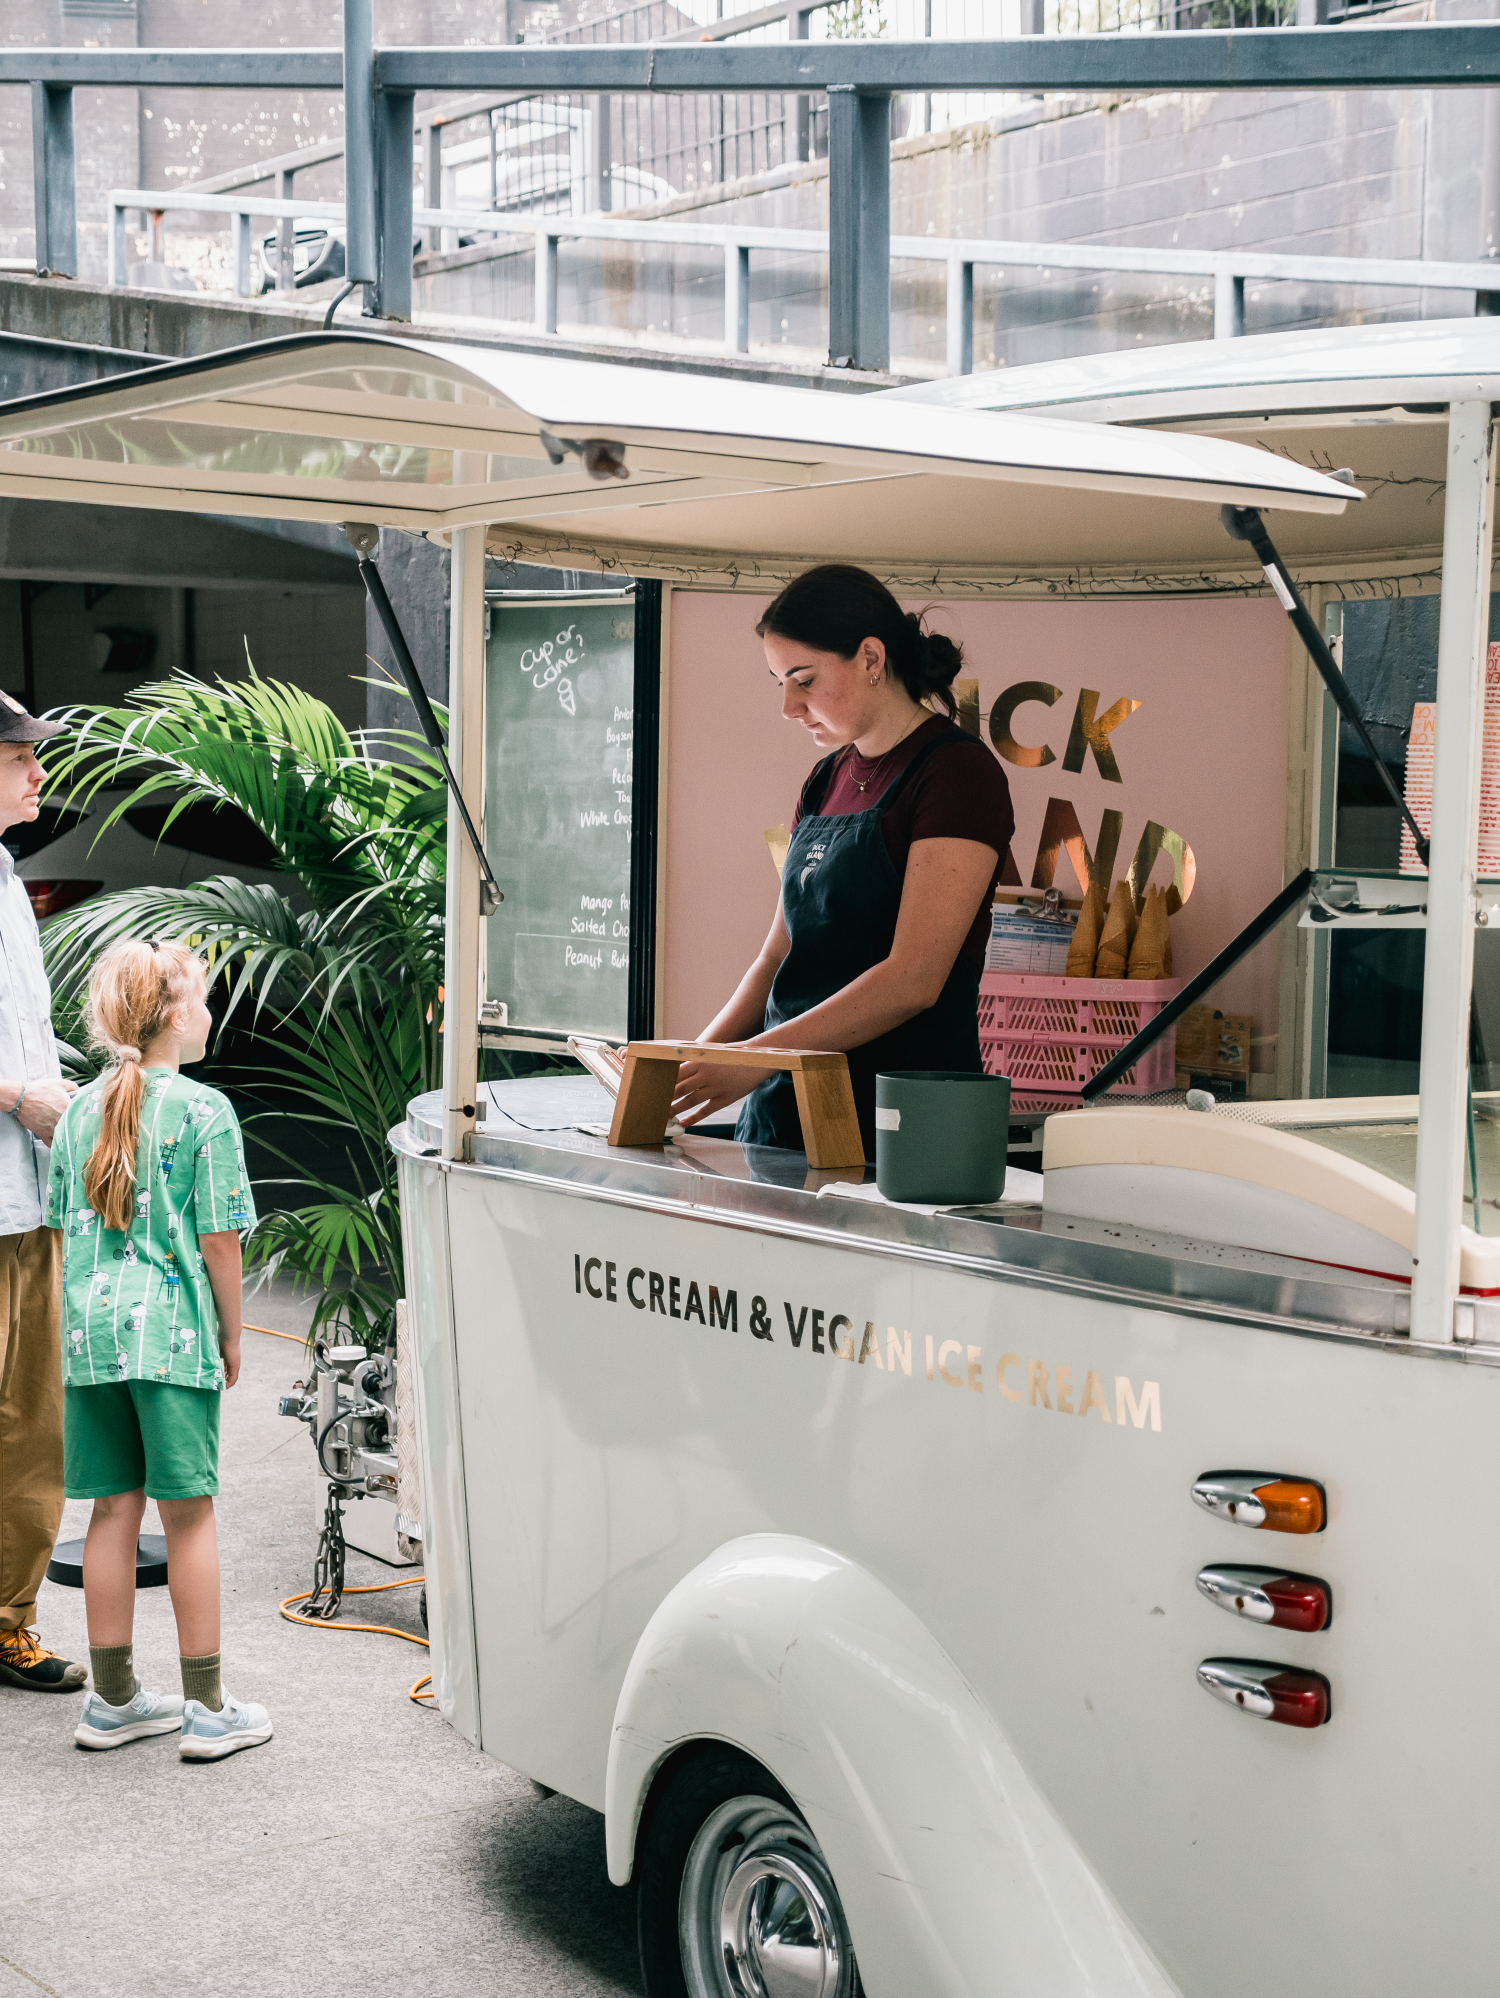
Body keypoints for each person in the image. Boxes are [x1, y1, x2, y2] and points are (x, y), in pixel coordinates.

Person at [674, 564, 1015, 1157]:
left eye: (803, 680)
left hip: (899, 1126)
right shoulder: (826, 777)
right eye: (779, 682)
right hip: (783, 1114)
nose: (788, 706)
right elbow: (777, 957)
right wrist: (690, 1064)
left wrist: (753, 1059)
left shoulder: (956, 772)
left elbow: (913, 980)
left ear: (871, 658)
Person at [47, 939, 271, 1758]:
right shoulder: (205, 1112)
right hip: (171, 1339)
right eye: (203, 1001)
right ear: (175, 1018)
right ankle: (207, 1709)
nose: (209, 1014)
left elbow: (61, 1227)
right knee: (188, 1514)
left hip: (90, 1338)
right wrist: (233, 1333)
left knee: (111, 1510)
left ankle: (112, 1702)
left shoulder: (77, 1113)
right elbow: (220, 1240)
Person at [0, 696, 83, 1694]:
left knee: (33, 1425)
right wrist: (20, 1096)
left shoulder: (10, 878)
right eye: (22, 757)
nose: (38, 774)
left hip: (29, 1196)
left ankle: (7, 1621)